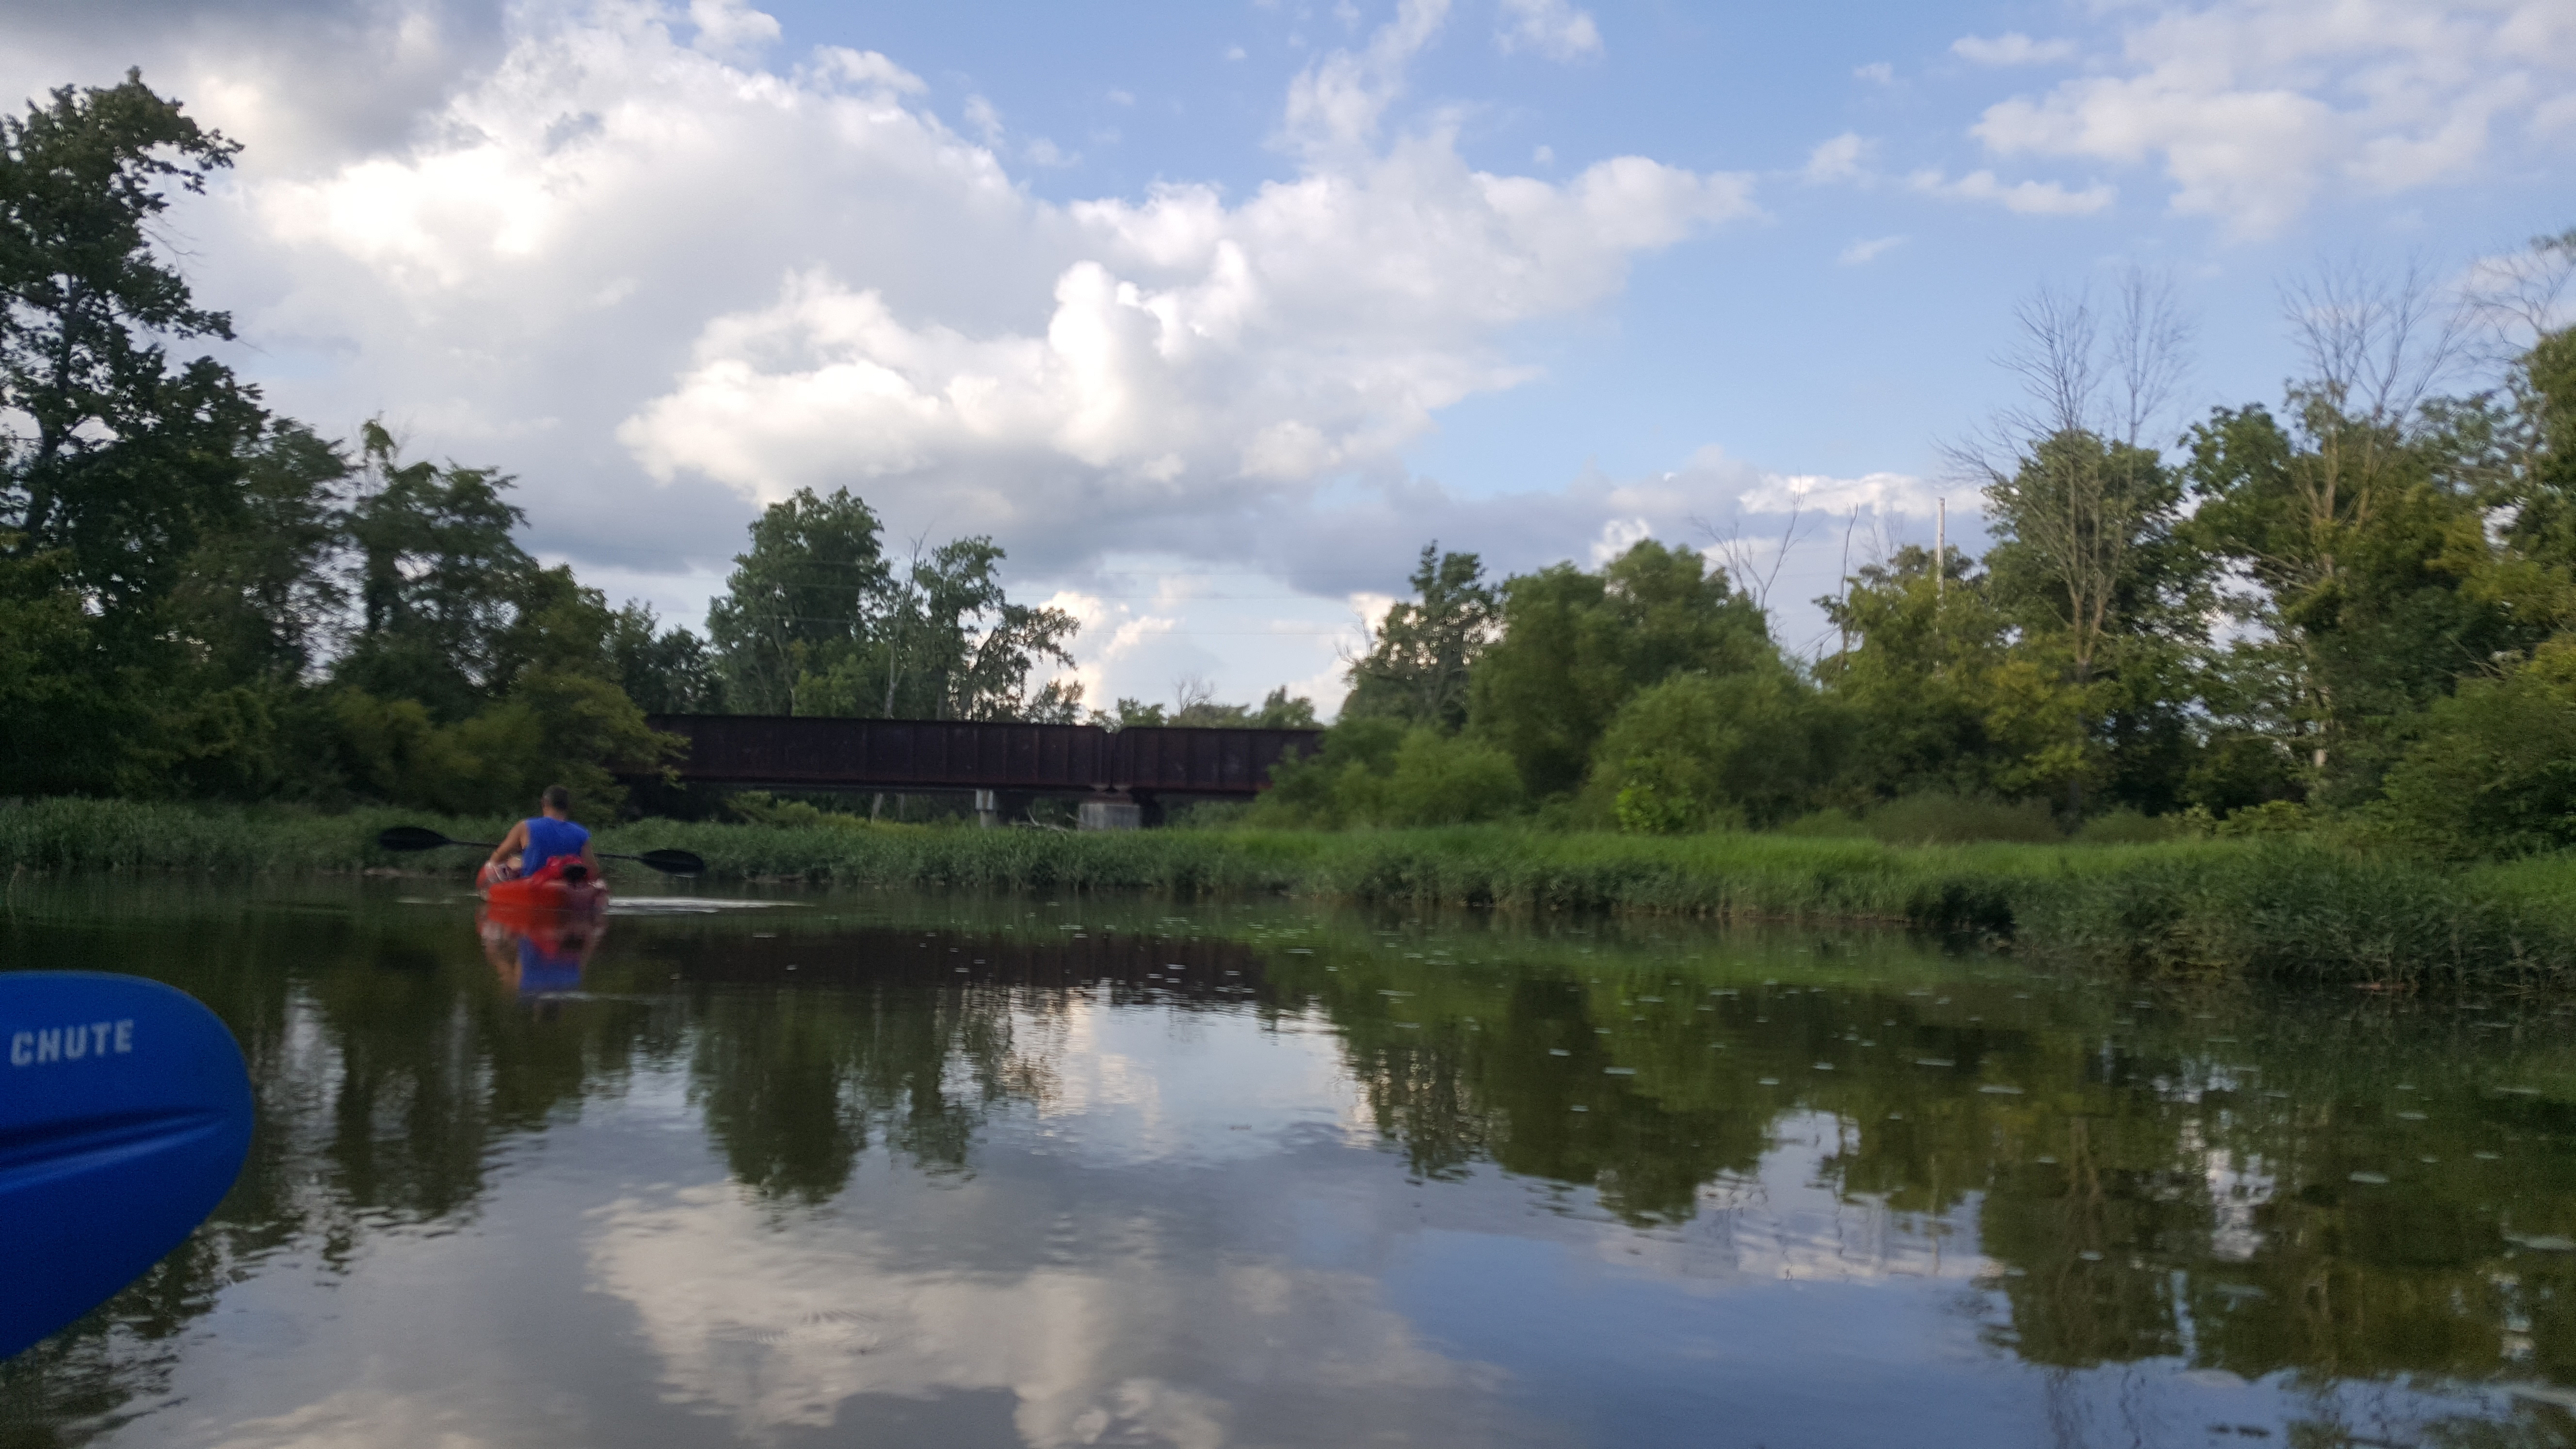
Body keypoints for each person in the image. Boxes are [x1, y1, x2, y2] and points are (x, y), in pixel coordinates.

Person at [483, 784, 602, 885]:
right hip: (566, 888)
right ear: (568, 807)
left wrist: (513, 863)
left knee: (509, 862)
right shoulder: (582, 833)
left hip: (532, 888)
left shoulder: (525, 826)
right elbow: (593, 872)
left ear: (544, 803)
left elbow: (497, 858)